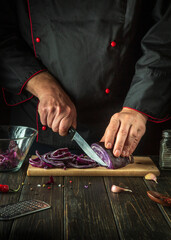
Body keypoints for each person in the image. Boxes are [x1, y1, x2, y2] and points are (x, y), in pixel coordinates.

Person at [0, 0, 171, 157]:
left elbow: (164, 39)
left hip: (124, 125)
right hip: (37, 127)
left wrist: (137, 108)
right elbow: (3, 38)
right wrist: (43, 85)